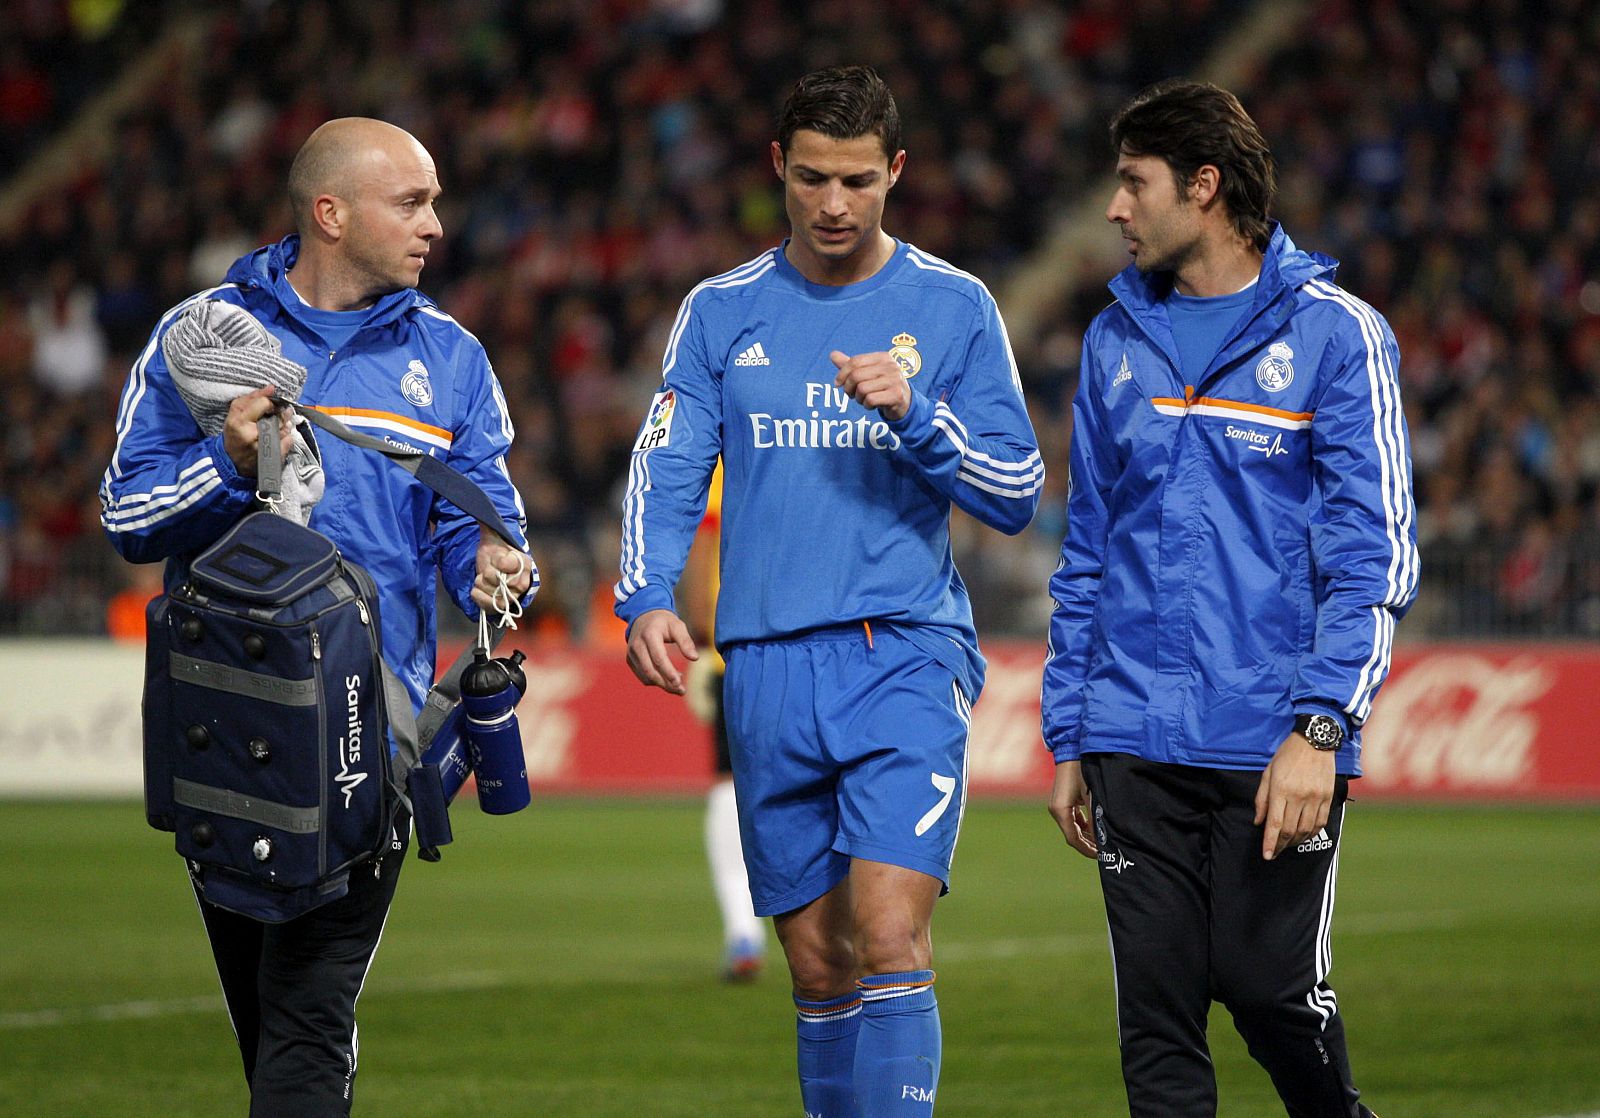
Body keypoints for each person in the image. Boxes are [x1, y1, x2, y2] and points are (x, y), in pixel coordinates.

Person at [615, 65, 1041, 1118]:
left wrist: (919, 417)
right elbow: (667, 465)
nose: (834, 204)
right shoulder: (722, 311)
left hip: (901, 648)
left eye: (858, 179)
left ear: (895, 170)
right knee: (816, 966)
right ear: (778, 168)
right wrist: (646, 595)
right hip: (765, 665)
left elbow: (1016, 488)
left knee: (889, 933)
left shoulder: (951, 307)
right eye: (812, 178)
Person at [100, 117, 534, 1117]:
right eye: (413, 200)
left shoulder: (450, 357)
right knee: (271, 1024)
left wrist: (497, 564)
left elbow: (483, 527)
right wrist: (228, 461)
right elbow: (127, 517)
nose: (437, 222)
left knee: (307, 1017)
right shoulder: (204, 335)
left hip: (363, 736)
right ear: (330, 214)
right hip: (220, 732)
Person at [1041, 79, 1417, 1118]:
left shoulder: (1337, 336)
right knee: (1156, 1020)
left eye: (1133, 183)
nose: (1113, 207)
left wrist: (1319, 723)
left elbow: (1373, 556)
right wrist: (1069, 732)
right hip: (1130, 735)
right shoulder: (1115, 340)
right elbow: (1086, 551)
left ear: (1201, 186)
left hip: (1271, 742)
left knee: (1268, 991)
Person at [680, 461, 767, 982]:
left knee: (729, 791)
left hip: (739, 650)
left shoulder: (725, 459)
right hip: (788, 646)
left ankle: (743, 932)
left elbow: (704, 545)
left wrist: (702, 637)